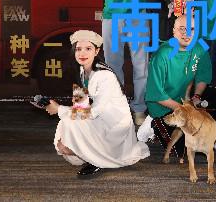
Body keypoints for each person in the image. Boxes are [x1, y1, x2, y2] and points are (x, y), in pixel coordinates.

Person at [46, 30, 150, 178]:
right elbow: (80, 105)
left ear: (96, 51)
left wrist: (59, 109)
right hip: (99, 119)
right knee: (64, 138)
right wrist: (57, 106)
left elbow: (93, 112)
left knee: (69, 122)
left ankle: (97, 159)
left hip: (114, 126)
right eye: (78, 49)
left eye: (88, 48)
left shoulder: (105, 75)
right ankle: (92, 154)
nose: (82, 53)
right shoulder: (82, 70)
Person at [145, 15, 216, 156]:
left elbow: (203, 76)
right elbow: (157, 95)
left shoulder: (200, 48)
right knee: (182, 151)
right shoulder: (162, 55)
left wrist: (196, 96)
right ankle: (152, 124)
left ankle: (213, 135)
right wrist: (185, 109)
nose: (187, 33)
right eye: (182, 29)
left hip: (185, 98)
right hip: (163, 106)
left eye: (191, 29)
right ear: (174, 31)